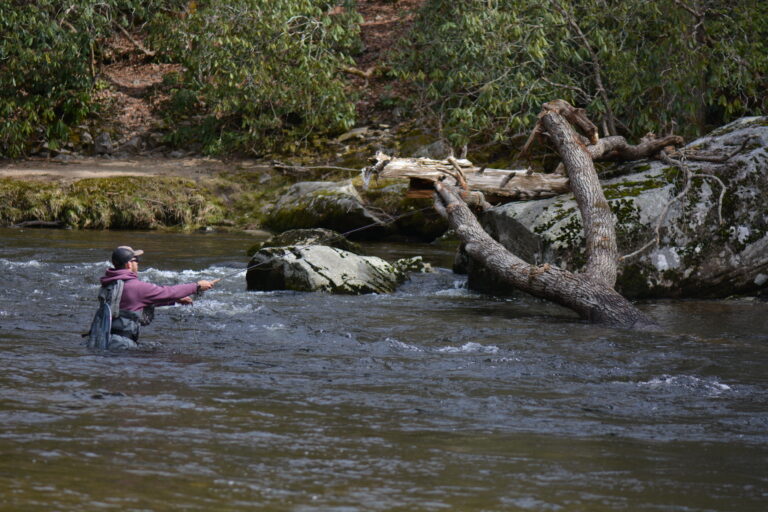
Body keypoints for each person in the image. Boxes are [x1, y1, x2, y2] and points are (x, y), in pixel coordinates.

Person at [86, 245, 216, 350]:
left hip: (102, 341)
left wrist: (173, 301)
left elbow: (130, 305)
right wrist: (196, 286)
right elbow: (168, 291)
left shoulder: (110, 283)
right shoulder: (135, 287)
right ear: (128, 265)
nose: (138, 264)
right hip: (122, 347)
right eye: (136, 260)